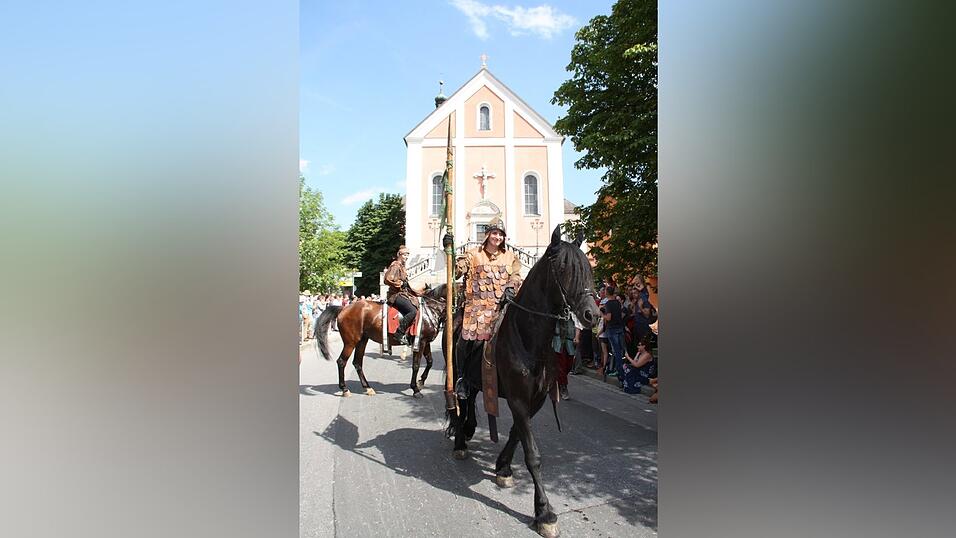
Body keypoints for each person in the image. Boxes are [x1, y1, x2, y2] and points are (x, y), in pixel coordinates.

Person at [450, 218, 522, 396]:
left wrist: (511, 286)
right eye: (495, 233)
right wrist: (450, 253)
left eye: (501, 234)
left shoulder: (511, 257)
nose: (498, 237)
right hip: (476, 308)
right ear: (488, 234)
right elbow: (456, 272)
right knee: (463, 340)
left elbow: (516, 276)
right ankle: (462, 378)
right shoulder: (473, 254)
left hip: (501, 307)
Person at [383, 245, 421, 345]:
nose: (406, 257)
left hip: (402, 294)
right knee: (413, 311)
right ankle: (399, 333)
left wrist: (418, 292)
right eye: (405, 255)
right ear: (399, 254)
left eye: (408, 255)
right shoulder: (395, 265)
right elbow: (387, 279)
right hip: (395, 295)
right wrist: (399, 283)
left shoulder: (402, 266)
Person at [601, 285, 625, 381]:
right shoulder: (617, 302)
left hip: (612, 329)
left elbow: (609, 318)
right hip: (619, 328)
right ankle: (619, 370)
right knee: (620, 351)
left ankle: (620, 374)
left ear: (607, 293)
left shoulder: (608, 304)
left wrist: (602, 314)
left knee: (616, 352)